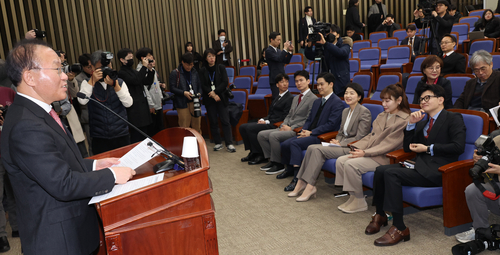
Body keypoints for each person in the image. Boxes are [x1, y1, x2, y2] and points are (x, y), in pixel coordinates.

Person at [1, 39, 136, 255]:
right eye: (57, 69)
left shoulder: (39, 112)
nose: (65, 75)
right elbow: (62, 183)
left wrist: (94, 165)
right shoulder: (26, 125)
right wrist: (111, 175)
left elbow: (53, 164)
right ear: (29, 77)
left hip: (73, 233)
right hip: (59, 242)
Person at [368, 84, 466, 246]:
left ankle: (400, 228)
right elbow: (408, 148)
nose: (423, 101)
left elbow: (458, 146)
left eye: (427, 98)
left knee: (391, 174)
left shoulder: (453, 118)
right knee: (380, 170)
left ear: (441, 100)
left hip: (440, 170)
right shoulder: (422, 122)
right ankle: (380, 214)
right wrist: (411, 124)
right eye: (421, 99)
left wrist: (428, 148)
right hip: (419, 165)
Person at [334, 83, 411, 213]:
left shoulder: (404, 120)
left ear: (399, 100)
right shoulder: (382, 115)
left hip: (386, 157)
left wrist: (364, 153)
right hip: (371, 152)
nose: (384, 104)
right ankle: (353, 196)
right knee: (341, 160)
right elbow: (371, 136)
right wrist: (356, 147)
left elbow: (389, 144)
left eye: (388, 101)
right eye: (382, 100)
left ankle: (359, 201)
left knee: (351, 164)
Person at [289, 83, 371, 201]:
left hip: (352, 147)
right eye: (346, 93)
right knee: (312, 147)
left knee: (316, 149)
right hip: (341, 144)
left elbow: (361, 137)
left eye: (351, 93)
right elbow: (341, 132)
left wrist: (341, 143)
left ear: (359, 97)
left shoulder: (364, 112)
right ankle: (301, 182)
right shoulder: (345, 111)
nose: (348, 96)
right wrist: (336, 140)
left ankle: (310, 187)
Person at [280, 73, 345, 191]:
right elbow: (309, 119)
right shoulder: (317, 101)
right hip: (309, 133)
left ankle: (296, 179)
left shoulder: (337, 102)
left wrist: (311, 132)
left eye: (322, 84)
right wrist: (304, 130)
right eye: (318, 84)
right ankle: (289, 170)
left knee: (294, 144)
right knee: (285, 144)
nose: (319, 87)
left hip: (321, 136)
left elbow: (331, 125)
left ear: (331, 84)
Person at [257, 70, 317, 175]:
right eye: (296, 81)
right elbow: (289, 115)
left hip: (297, 129)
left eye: (301, 80)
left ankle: (278, 164)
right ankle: (272, 159)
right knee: (261, 135)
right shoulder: (296, 98)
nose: (298, 83)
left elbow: (308, 119)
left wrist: (291, 127)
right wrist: (283, 125)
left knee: (273, 136)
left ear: (308, 81)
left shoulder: (313, 99)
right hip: (287, 126)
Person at [78, 50, 133, 155]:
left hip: (121, 134)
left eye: (107, 67)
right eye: (100, 68)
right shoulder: (87, 82)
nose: (105, 71)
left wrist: (115, 85)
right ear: (92, 68)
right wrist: (92, 82)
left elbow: (128, 103)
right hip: (99, 136)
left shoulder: (119, 82)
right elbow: (82, 101)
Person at [455, 133, 500, 243]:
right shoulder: (497, 140)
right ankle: (480, 230)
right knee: (473, 190)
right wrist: (480, 161)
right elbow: (486, 173)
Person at [240, 74, 293, 164]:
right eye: (282, 82)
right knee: (242, 127)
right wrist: (263, 119)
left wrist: (267, 121)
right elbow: (270, 113)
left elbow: (285, 116)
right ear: (277, 85)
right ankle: (253, 152)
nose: (285, 84)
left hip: (276, 124)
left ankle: (260, 154)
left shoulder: (290, 98)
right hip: (270, 121)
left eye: (286, 82)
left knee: (250, 128)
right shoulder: (277, 97)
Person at [199, 48, 236, 153]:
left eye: (214, 56)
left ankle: (229, 143)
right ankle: (218, 142)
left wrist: (215, 92)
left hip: (221, 97)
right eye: (209, 56)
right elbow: (203, 85)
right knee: (213, 121)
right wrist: (212, 94)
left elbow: (224, 82)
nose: (212, 58)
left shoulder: (221, 67)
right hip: (209, 99)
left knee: (225, 120)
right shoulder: (202, 70)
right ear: (206, 58)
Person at [117, 48, 153, 144]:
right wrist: (144, 67)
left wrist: (150, 70)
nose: (131, 60)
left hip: (143, 108)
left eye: (132, 57)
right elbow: (135, 80)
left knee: (145, 136)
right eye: (129, 58)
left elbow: (147, 81)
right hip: (134, 110)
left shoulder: (133, 71)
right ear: (122, 60)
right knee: (137, 137)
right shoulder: (122, 73)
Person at [304, 25, 351, 96]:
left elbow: (340, 53)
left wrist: (326, 44)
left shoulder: (345, 45)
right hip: (327, 82)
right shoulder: (324, 47)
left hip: (340, 84)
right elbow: (311, 56)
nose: (329, 34)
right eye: (328, 33)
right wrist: (309, 46)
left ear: (338, 35)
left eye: (332, 32)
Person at [0, 87, 18, 252]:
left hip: (11, 148)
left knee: (14, 190)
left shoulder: (7, 92)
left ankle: (17, 225)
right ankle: (1, 235)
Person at [169, 53, 202, 134]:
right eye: (187, 65)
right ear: (182, 62)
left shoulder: (195, 72)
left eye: (191, 65)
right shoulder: (175, 73)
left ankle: (198, 144)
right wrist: (183, 93)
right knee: (184, 127)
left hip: (195, 103)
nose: (189, 67)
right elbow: (172, 88)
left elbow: (199, 86)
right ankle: (185, 144)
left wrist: (199, 94)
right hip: (182, 103)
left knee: (197, 126)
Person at [136, 47, 166, 137]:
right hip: (150, 103)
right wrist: (150, 104)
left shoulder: (152, 69)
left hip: (157, 101)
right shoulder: (140, 70)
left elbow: (155, 84)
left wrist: (160, 98)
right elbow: (144, 89)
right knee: (153, 129)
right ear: (143, 58)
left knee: (160, 126)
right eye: (149, 55)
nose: (152, 57)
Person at [265, 31, 293, 100]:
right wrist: (284, 49)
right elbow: (278, 59)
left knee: (284, 99)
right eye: (278, 40)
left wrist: (289, 51)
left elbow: (286, 61)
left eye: (280, 40)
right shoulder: (268, 51)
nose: (279, 42)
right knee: (277, 99)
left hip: (282, 78)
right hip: (275, 79)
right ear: (272, 40)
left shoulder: (278, 51)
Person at [74, 53, 93, 154]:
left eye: (92, 66)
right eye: (88, 67)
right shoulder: (79, 79)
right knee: (92, 145)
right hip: (88, 115)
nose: (91, 69)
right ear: (82, 67)